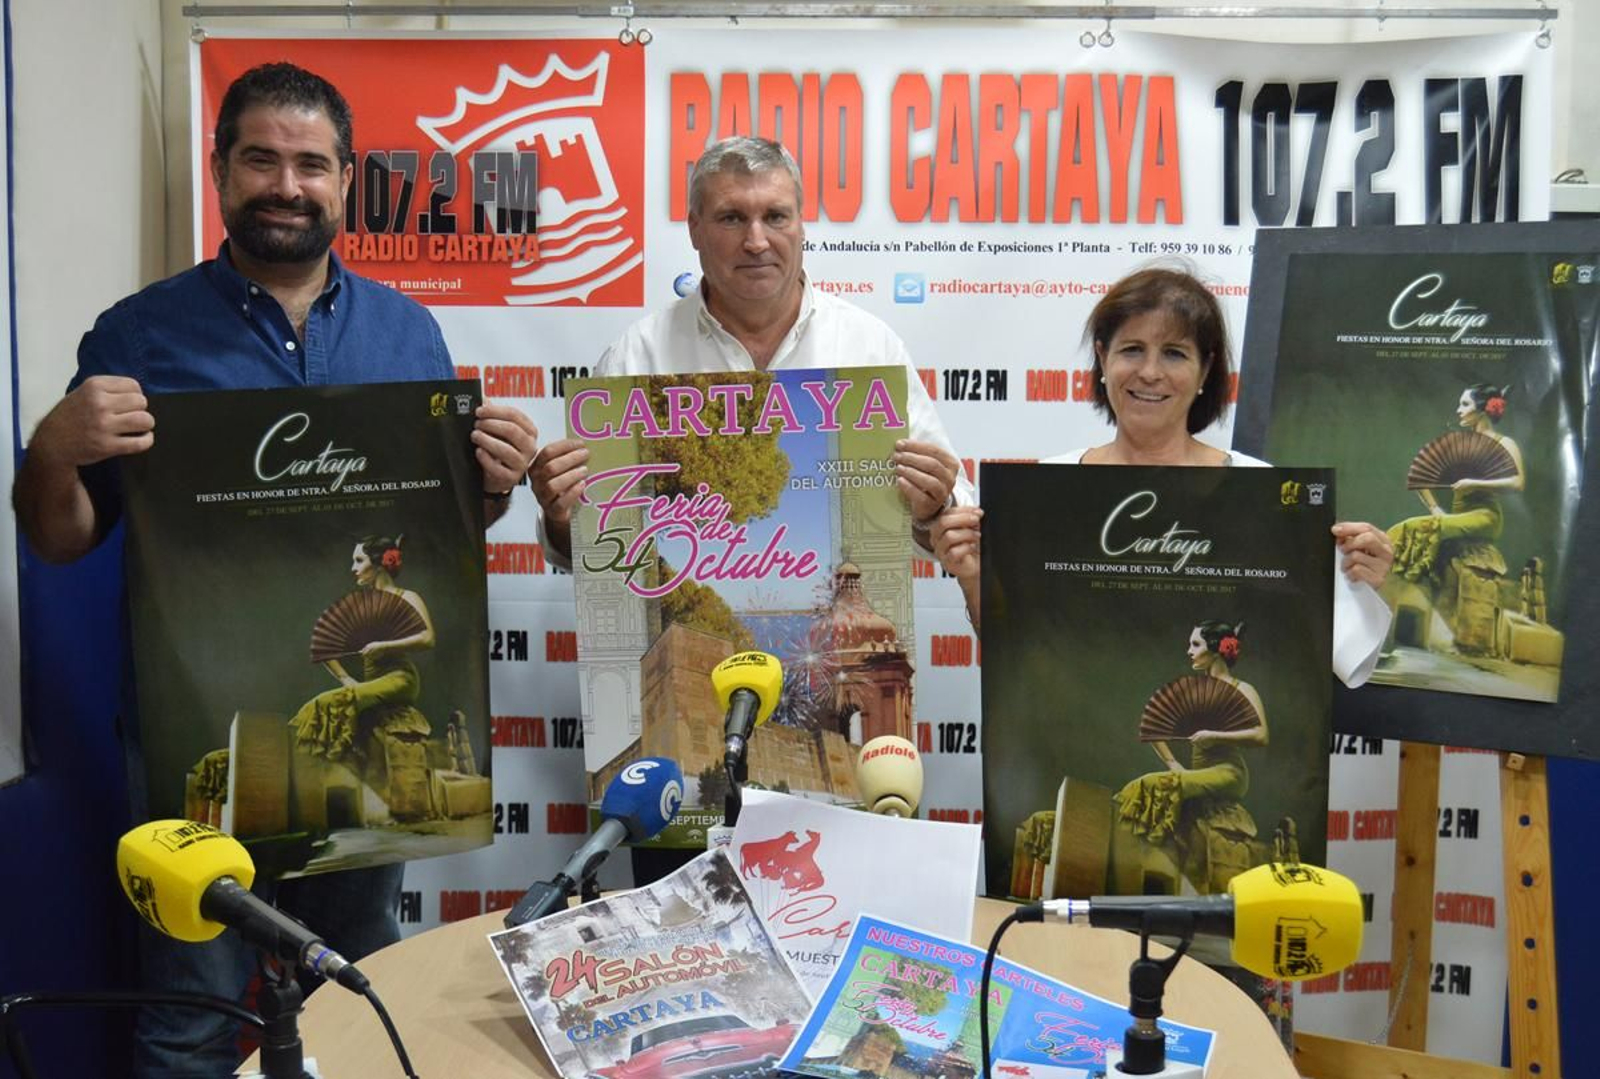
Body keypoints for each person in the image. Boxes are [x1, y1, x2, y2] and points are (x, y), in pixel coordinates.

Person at [11, 63, 540, 1077]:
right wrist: (54, 448)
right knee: (190, 1013)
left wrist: (496, 486)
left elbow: (434, 532)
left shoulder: (407, 330)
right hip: (190, 737)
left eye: (311, 163)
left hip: (365, 745)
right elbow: (60, 539)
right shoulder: (138, 334)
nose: (286, 184)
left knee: (354, 988)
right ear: (220, 171)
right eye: (262, 158)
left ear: (346, 182)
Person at [931, 265, 1393, 686]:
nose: (1150, 373)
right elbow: (1019, 652)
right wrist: (974, 578)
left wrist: (1365, 575)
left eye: (1174, 353)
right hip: (1079, 745)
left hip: (1217, 739)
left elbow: (1336, 652)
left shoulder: (1263, 493)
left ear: (1205, 369)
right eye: (1132, 349)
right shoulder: (1048, 488)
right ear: (1102, 357)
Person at [529, 135, 971, 564]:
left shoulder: (870, 348)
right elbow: (581, 550)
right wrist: (562, 515)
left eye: (776, 216)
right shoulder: (636, 356)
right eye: (731, 218)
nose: (756, 241)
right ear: (694, 230)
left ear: (801, 225)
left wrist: (931, 510)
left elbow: (954, 526)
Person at [1112, 619, 1267, 895]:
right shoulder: (1194, 690)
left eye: (1195, 644)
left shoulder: (1243, 689)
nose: (1189, 651)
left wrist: (1215, 735)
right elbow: (1153, 725)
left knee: (1152, 784)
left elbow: (1260, 735)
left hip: (1229, 772)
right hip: (1197, 771)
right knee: (1159, 785)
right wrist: (1173, 763)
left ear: (1217, 649)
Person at [290, 535, 434, 770]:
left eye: (359, 560)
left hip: (400, 678)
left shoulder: (407, 597)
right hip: (371, 682)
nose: (353, 568)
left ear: (378, 563)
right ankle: (294, 763)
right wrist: (346, 678)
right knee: (335, 705)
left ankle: (291, 759)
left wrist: (384, 646)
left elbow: (427, 638)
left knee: (326, 702)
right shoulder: (358, 604)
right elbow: (325, 645)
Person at [1388, 383, 1523, 586]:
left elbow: (1517, 483)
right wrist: (1435, 508)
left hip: (1486, 516)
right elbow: (1420, 476)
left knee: (1416, 526)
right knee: (1421, 525)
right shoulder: (1457, 443)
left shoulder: (1504, 443)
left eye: (1465, 404)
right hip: (1457, 515)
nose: (1458, 410)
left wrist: (1475, 483)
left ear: (1482, 408)